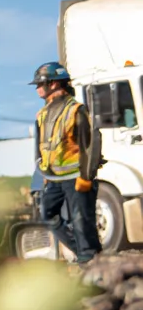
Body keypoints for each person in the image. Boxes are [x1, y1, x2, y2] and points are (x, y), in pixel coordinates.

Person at [32, 61, 102, 263]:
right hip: (54, 179)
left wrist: (87, 177)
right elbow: (43, 148)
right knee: (48, 215)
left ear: (54, 83)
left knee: (82, 222)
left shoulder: (76, 110)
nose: (37, 88)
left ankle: (89, 260)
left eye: (40, 83)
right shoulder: (42, 114)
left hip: (77, 176)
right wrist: (45, 174)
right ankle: (86, 255)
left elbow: (90, 145)